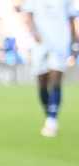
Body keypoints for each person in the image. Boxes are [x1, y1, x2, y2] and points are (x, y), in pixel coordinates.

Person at [22, 0, 78, 137]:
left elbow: (71, 19)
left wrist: (75, 43)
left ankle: (52, 119)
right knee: (42, 83)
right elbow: (28, 16)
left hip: (60, 42)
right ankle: (49, 114)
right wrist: (34, 33)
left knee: (56, 77)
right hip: (40, 43)